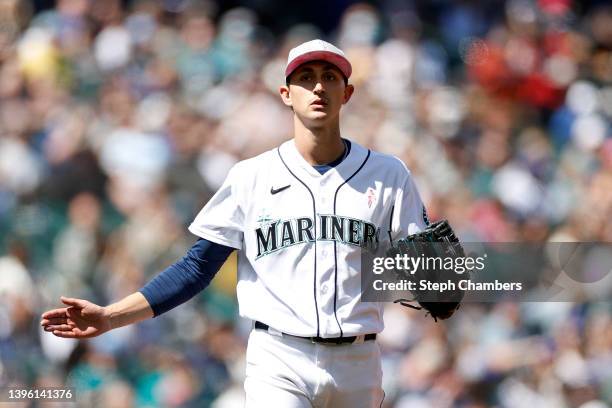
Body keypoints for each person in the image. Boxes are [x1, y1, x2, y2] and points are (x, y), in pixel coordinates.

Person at [40, 39, 429, 407]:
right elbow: (197, 267)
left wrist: (450, 280)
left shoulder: (388, 174)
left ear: (347, 93)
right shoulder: (251, 177)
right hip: (280, 358)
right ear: (285, 94)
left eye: (330, 78)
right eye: (305, 78)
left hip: (358, 360)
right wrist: (111, 316)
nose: (318, 88)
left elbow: (432, 274)